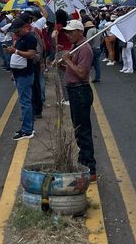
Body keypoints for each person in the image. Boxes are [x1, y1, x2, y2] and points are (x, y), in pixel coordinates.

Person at [57, 20, 97, 181]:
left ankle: (90, 167)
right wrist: (62, 65)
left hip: (80, 90)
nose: (68, 35)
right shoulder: (75, 48)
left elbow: (82, 73)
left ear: (80, 32)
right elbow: (72, 70)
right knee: (78, 129)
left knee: (83, 130)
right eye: (67, 32)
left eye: (71, 32)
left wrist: (67, 61)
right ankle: (83, 161)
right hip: (74, 91)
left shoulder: (85, 49)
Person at [6, 17, 38, 140]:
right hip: (19, 74)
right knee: (24, 102)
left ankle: (27, 130)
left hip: (25, 74)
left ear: (24, 27)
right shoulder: (21, 38)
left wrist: (16, 51)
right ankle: (27, 127)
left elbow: (31, 54)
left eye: (17, 31)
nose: (16, 34)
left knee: (25, 102)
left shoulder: (30, 38)